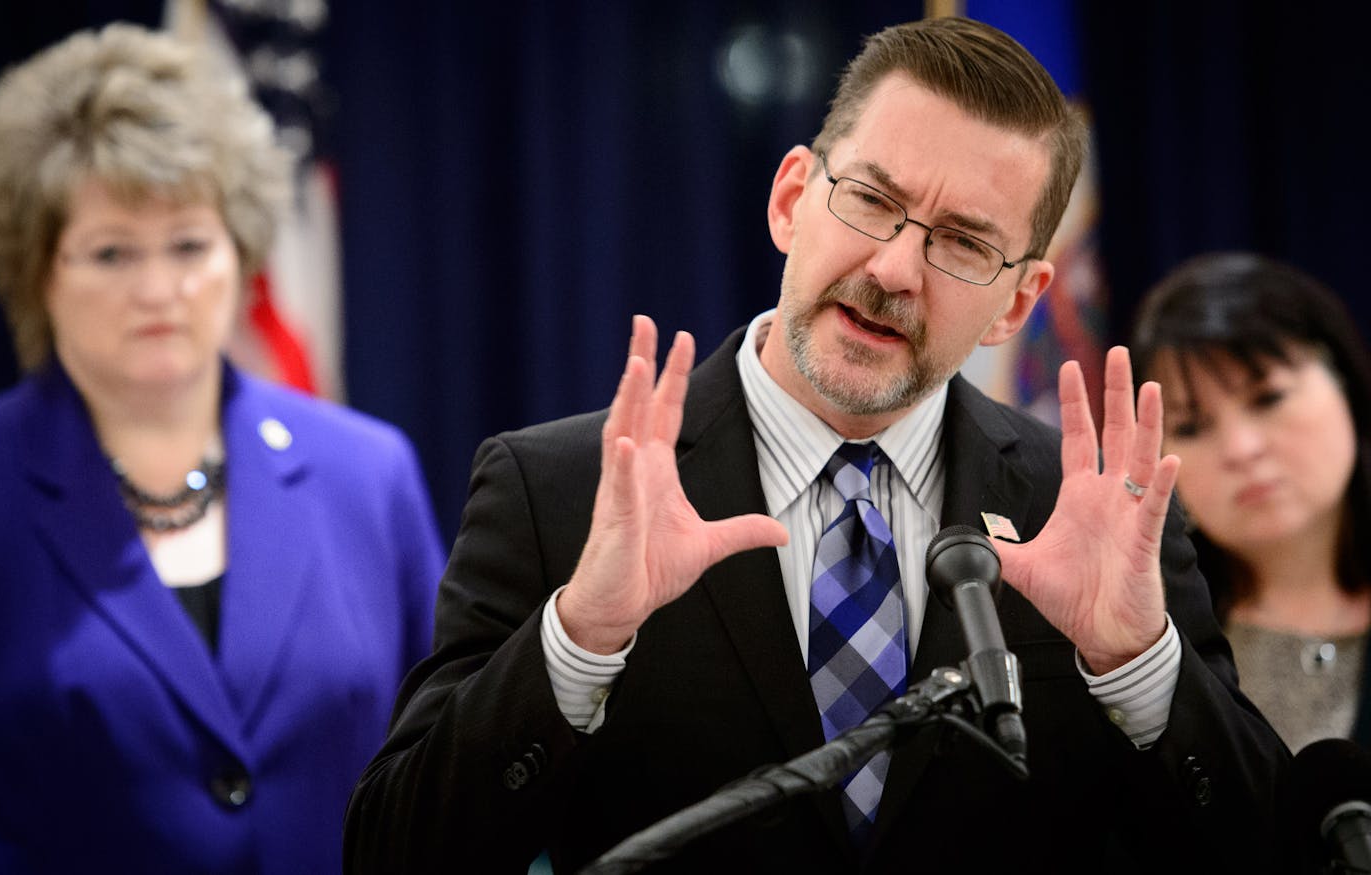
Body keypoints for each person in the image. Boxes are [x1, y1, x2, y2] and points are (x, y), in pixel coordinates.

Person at [345, 17, 1287, 873]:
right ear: (793, 197)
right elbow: (396, 852)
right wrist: (580, 639)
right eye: (872, 201)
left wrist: (1137, 666)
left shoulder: (1095, 508)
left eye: (963, 243)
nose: (892, 270)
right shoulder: (558, 489)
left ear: (1020, 302)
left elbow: (1274, 851)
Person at [0, 23, 444, 874]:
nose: (159, 289)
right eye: (110, 252)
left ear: (240, 254)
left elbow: (443, 760)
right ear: (36, 269)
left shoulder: (368, 471)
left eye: (189, 245)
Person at [1129, 252, 1371, 755]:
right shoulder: (1154, 643)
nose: (1241, 449)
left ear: (1343, 382)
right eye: (1192, 427)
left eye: (1268, 398)